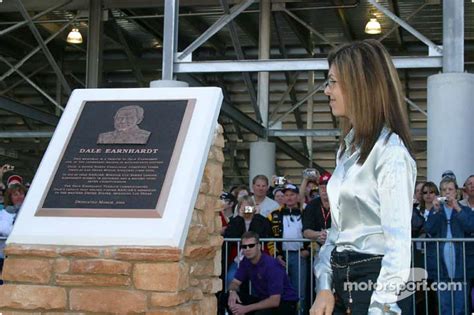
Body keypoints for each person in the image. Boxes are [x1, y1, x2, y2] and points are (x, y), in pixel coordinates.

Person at [310, 39, 417, 315]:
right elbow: (337, 231)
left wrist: (380, 307)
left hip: (375, 284)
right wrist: (324, 284)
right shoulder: (346, 151)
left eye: (332, 82)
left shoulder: (391, 152)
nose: (326, 90)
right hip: (340, 283)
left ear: (359, 85)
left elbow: (398, 246)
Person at [424, 177, 474, 315]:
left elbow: (470, 226)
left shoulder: (464, 210)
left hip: (461, 265)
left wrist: (457, 208)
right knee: (444, 306)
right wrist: (434, 211)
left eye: (450, 189)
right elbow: (429, 229)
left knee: (461, 306)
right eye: (444, 190)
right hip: (441, 266)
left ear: (456, 192)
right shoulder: (437, 211)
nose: (447, 193)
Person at [225, 231, 299, 315]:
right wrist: (232, 292)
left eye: (251, 245)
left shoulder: (271, 265)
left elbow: (275, 301)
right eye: (244, 247)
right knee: (226, 298)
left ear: (259, 246)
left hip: (285, 303)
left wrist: (246, 309)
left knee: (260, 314)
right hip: (265, 300)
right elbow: (235, 282)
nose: (248, 249)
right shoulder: (246, 261)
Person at [268, 183, 309, 314]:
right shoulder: (273, 215)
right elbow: (269, 237)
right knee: (280, 290)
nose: (289, 198)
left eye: (292, 194)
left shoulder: (306, 212)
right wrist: (276, 255)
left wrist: (308, 250)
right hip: (281, 257)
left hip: (299, 255)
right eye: (286, 195)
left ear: (297, 196)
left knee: (299, 291)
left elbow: (314, 230)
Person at [224, 195, 272, 288]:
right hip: (239, 258)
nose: (247, 209)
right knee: (230, 277)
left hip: (258, 258)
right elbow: (232, 235)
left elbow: (260, 235)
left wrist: (257, 215)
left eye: (249, 206)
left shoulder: (261, 220)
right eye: (243, 206)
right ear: (239, 207)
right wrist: (239, 217)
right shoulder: (235, 221)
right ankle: (231, 300)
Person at [0, 182, 27, 277]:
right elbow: (4, 229)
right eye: (15, 194)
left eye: (21, 194)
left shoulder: (28, 212)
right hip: (7, 255)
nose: (19, 197)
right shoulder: (6, 212)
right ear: (10, 197)